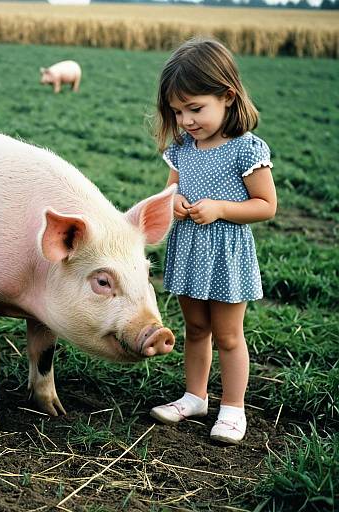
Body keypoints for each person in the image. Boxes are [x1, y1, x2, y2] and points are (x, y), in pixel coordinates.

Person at [149, 38, 277, 444]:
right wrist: (177, 203)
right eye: (177, 112)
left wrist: (220, 208)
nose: (186, 120)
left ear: (227, 95)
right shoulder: (182, 150)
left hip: (226, 255)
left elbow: (266, 205)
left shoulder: (245, 149)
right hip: (188, 250)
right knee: (195, 328)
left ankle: (233, 408)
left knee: (228, 336)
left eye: (195, 109)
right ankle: (195, 396)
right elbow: (169, 194)